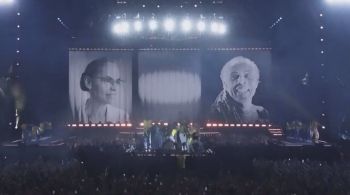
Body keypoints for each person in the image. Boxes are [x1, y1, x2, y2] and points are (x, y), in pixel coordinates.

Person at [211, 56, 269, 123]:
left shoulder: (262, 113)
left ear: (256, 83)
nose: (241, 82)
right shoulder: (216, 115)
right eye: (234, 76)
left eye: (247, 76)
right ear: (224, 84)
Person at [79, 57, 129, 123]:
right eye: (107, 80)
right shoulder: (75, 115)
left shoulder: (122, 116)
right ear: (88, 82)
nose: (114, 88)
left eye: (117, 82)